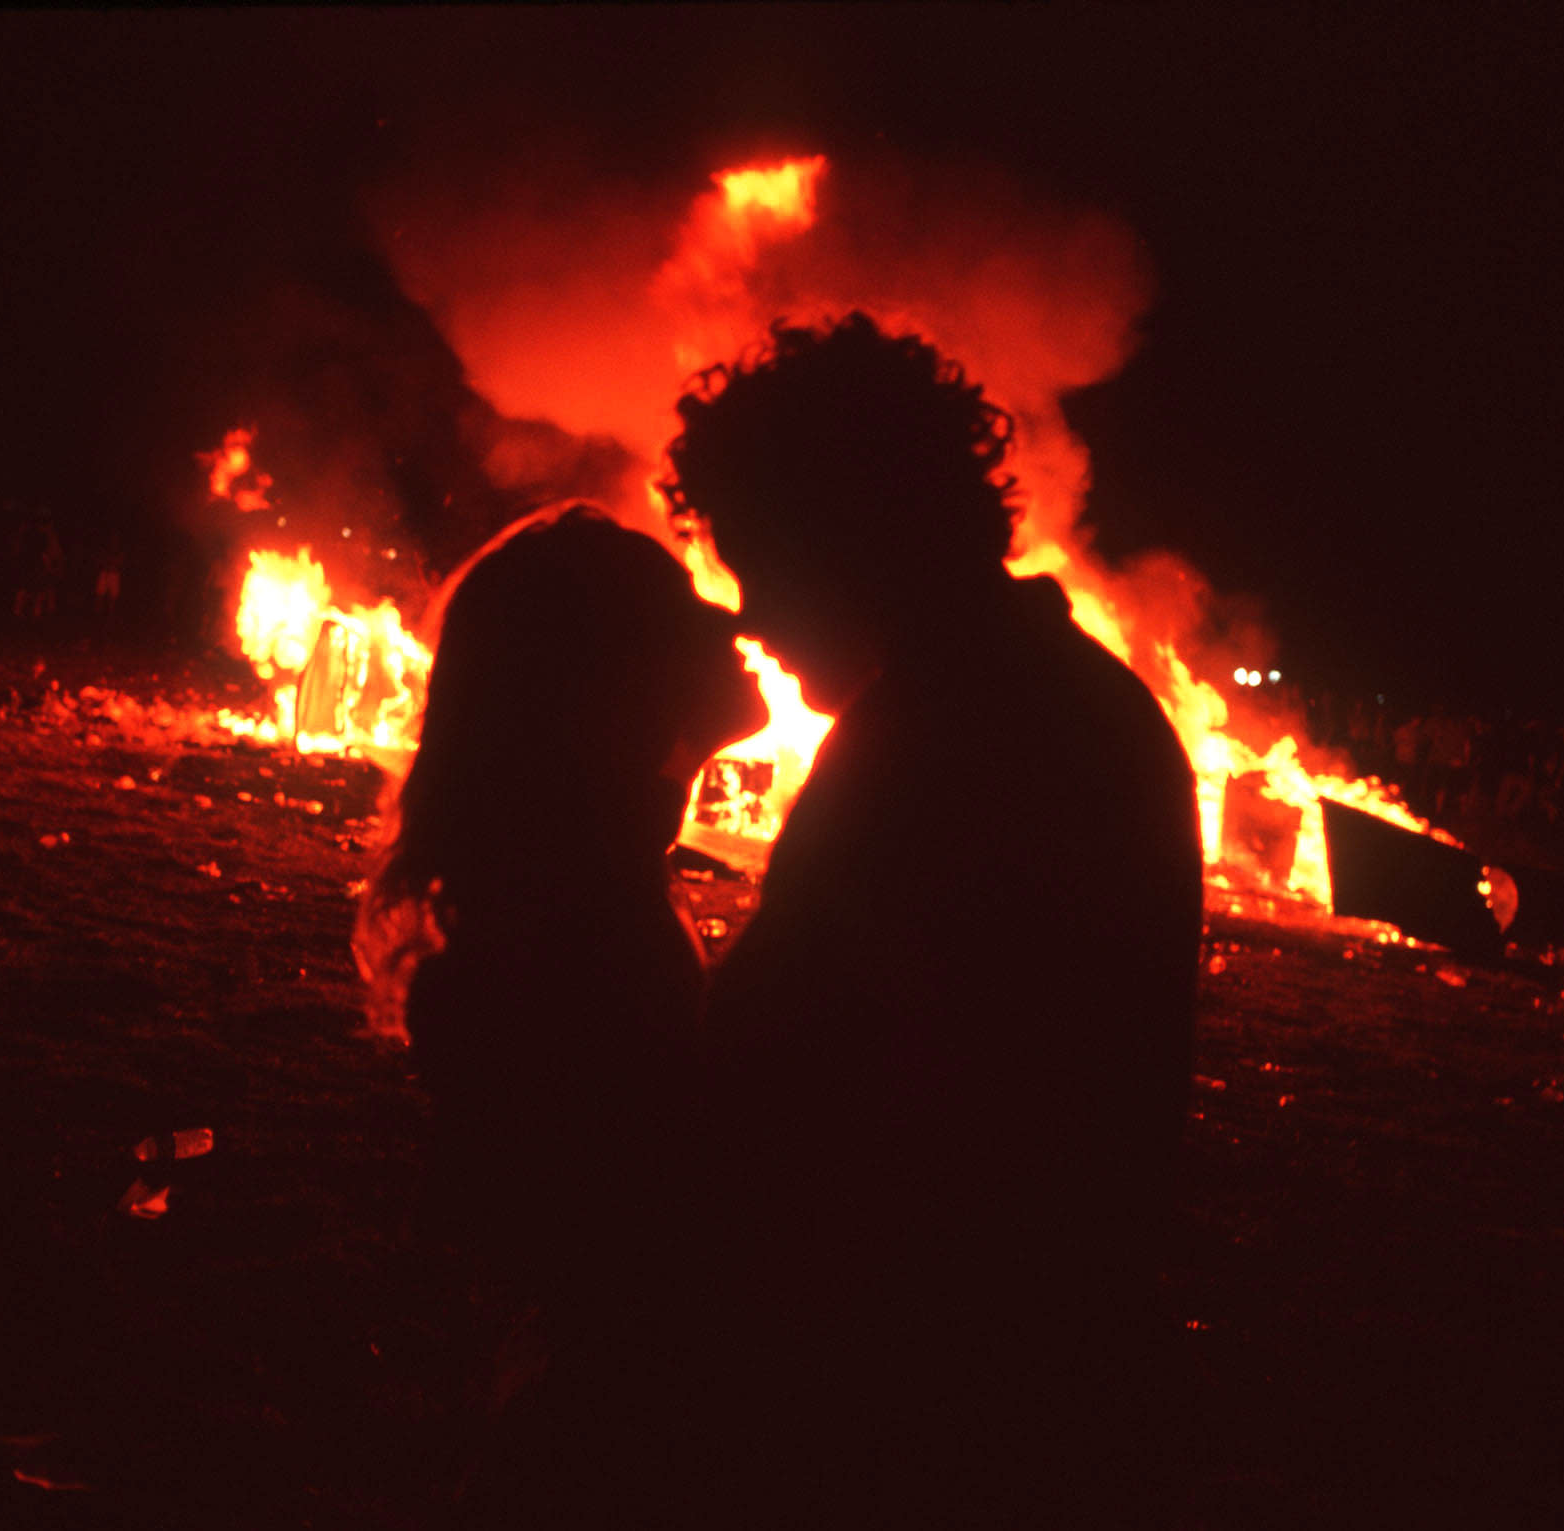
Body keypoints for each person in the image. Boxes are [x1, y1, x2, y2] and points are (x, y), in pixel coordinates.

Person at [662, 312, 1204, 1527]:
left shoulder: (936, 741)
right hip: (1040, 1368)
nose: (747, 615)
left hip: (912, 1398)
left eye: (758, 563)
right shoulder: (1085, 707)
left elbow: (767, 1081)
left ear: (847, 537)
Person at [354, 505, 764, 1528]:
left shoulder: (586, 882)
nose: (728, 619)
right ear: (609, 676)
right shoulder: (585, 927)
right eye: (678, 606)